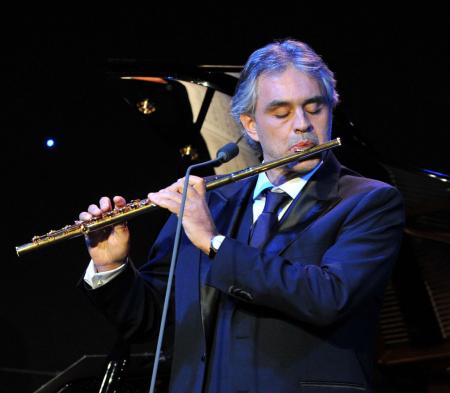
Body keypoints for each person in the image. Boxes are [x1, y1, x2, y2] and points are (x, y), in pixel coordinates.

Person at [80, 39, 404, 392]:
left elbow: (328, 297)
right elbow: (149, 319)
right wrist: (111, 268)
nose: (302, 124)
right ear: (250, 124)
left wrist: (214, 242)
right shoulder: (209, 198)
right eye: (281, 113)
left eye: (315, 107)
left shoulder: (369, 201)